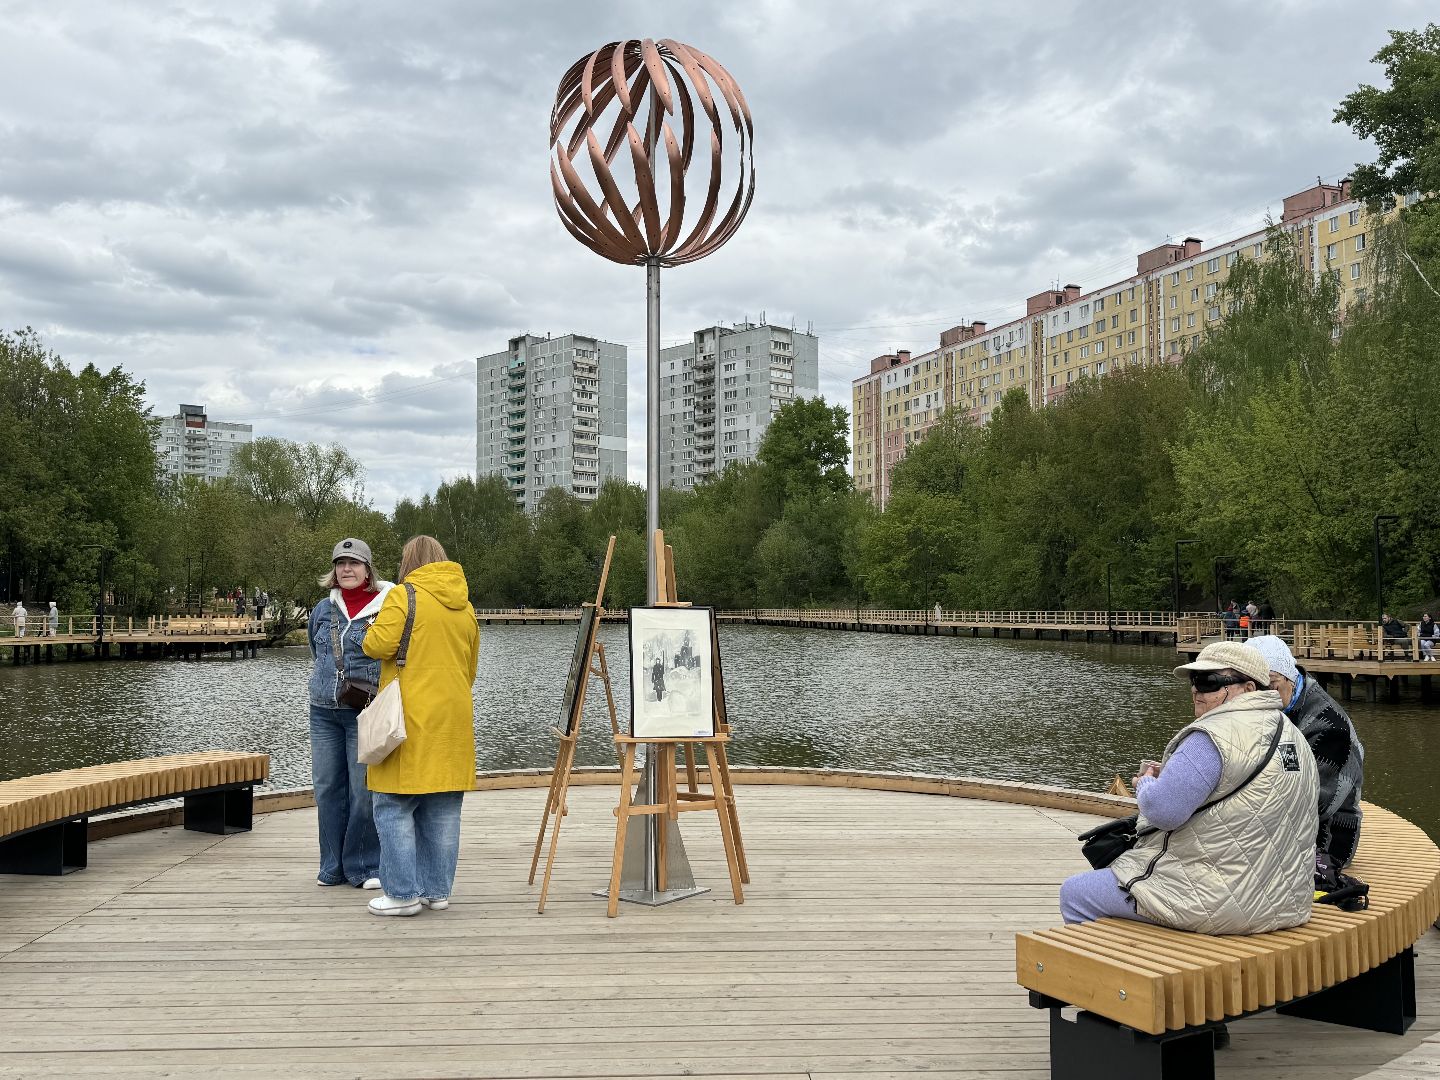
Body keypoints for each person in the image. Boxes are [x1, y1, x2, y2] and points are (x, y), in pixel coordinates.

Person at [1060, 641, 1317, 935]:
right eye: (1195, 681)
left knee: (1075, 893)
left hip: (1221, 905)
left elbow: (1162, 811)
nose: (1196, 690)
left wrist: (1145, 783)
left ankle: (1110, 976)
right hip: (1285, 900)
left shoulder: (1211, 737)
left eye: (1210, 682)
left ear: (1248, 689)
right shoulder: (1292, 734)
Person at [362, 535, 478, 917]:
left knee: (392, 803)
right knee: (443, 806)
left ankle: (401, 894)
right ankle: (436, 890)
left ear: (409, 561)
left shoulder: (403, 596)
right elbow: (470, 668)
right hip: (454, 717)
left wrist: (375, 622)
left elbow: (376, 645)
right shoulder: (466, 607)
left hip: (410, 715)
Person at [307, 538, 392, 890]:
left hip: (364, 713)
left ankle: (362, 866)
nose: (346, 569)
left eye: (354, 563)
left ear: (368, 570)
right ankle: (331, 867)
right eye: (341, 563)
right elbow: (316, 649)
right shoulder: (322, 609)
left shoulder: (387, 607)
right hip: (323, 712)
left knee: (362, 792)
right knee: (327, 789)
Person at [1247, 635, 1365, 868]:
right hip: (1277, 825)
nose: (1263, 696)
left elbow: (1315, 804)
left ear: (1290, 677)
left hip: (1326, 841)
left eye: (1270, 685)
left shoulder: (1330, 727)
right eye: (1253, 687)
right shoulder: (1277, 707)